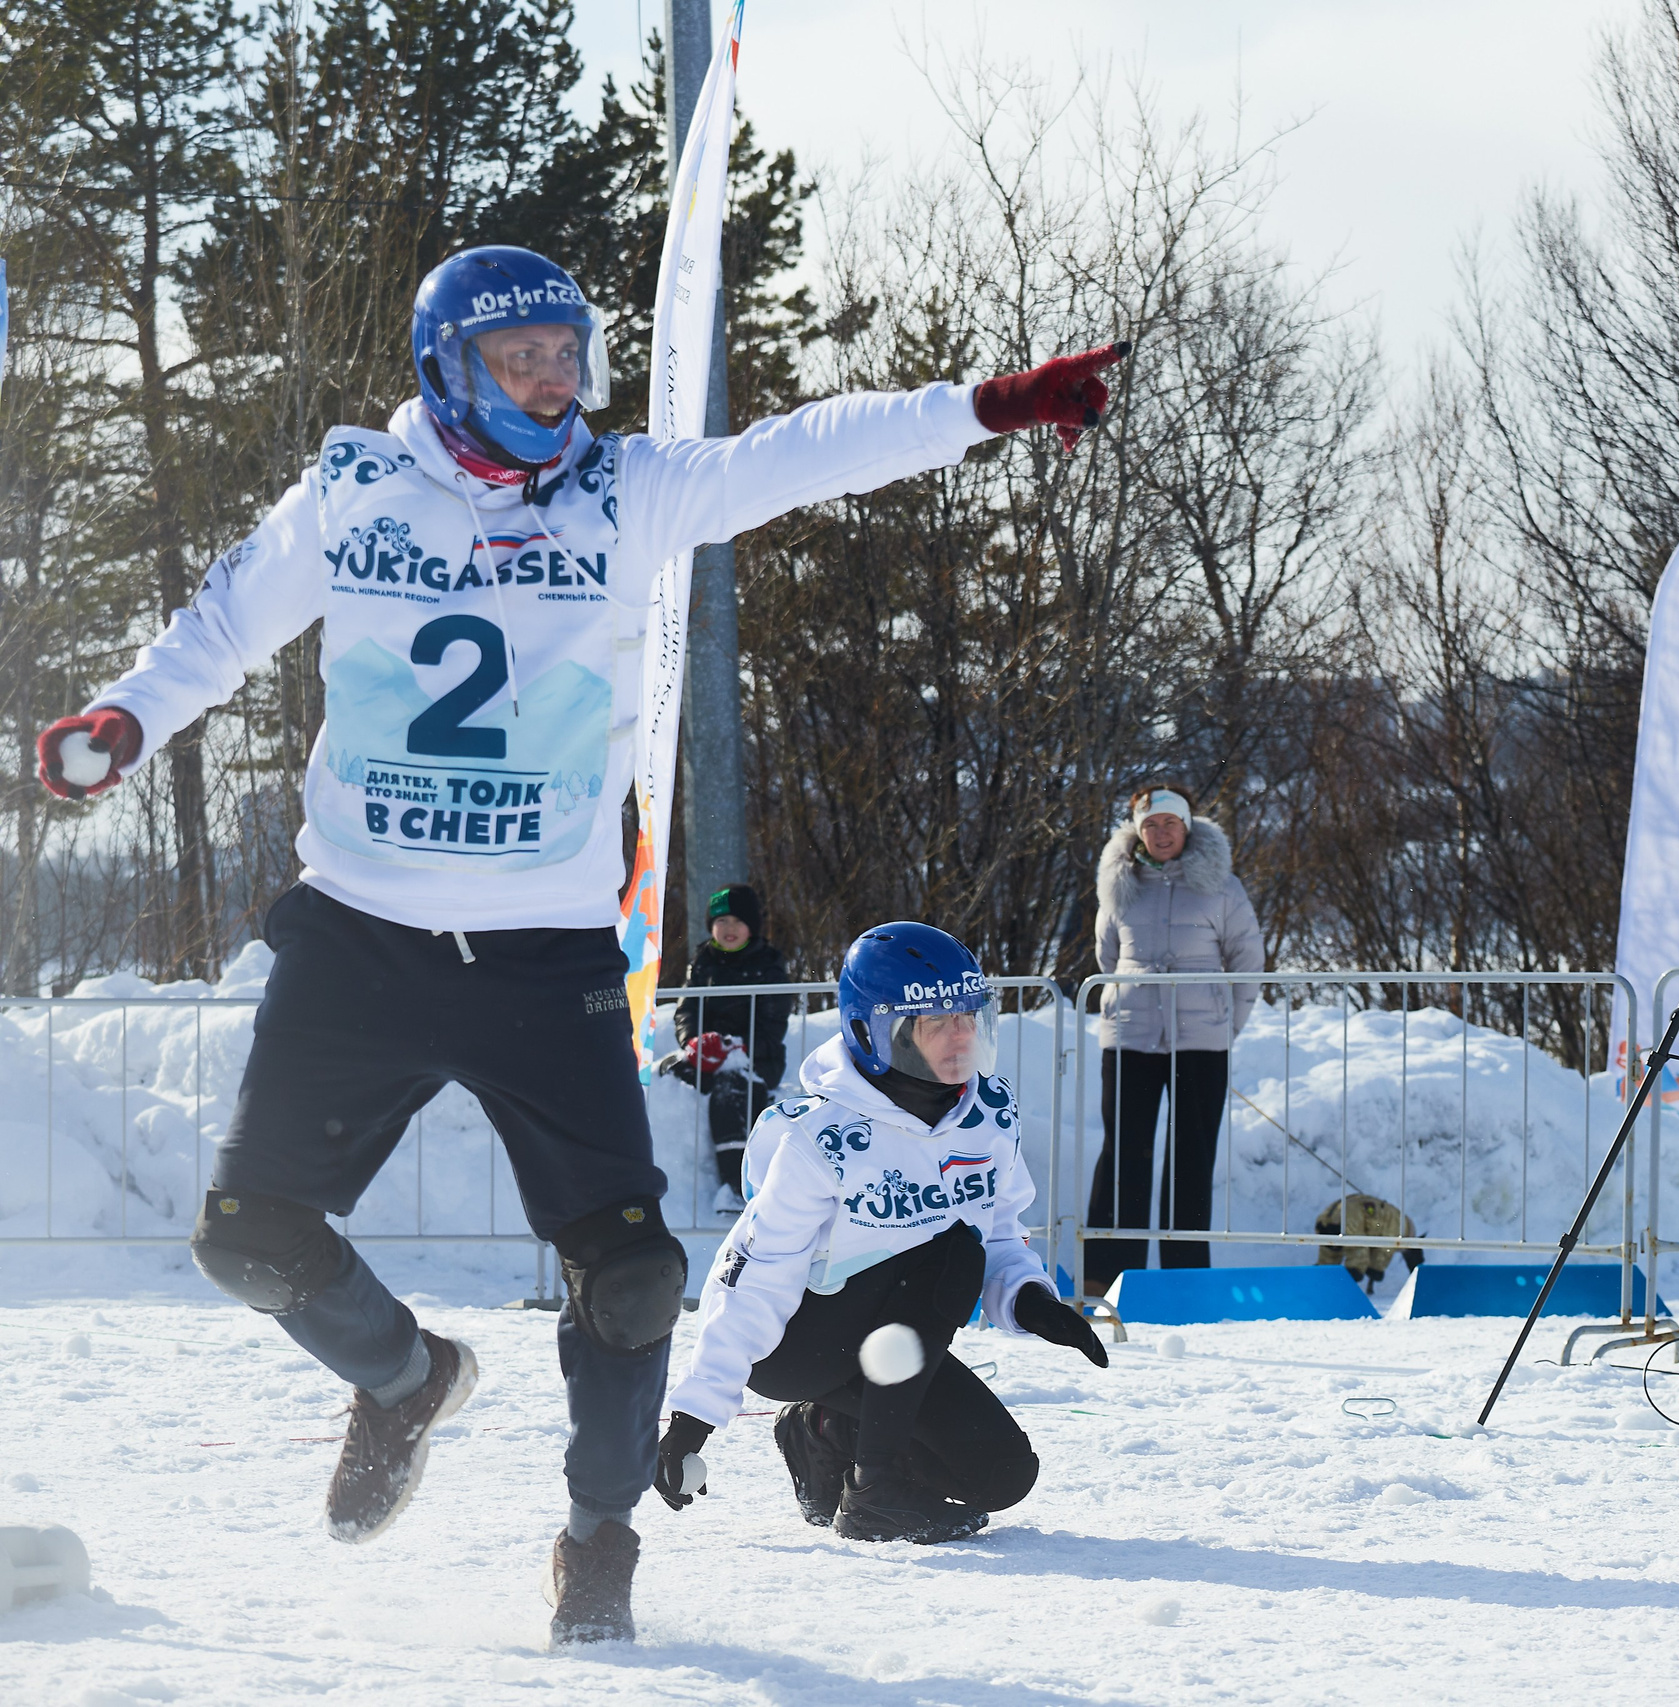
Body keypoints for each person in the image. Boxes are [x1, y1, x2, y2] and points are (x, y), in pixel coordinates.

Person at [33, 242, 1123, 1645]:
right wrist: (124, 718)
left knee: (633, 1275)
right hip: (359, 936)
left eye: (568, 352)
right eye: (521, 358)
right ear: (448, 368)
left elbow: (799, 453)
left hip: (546, 956)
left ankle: (599, 1538)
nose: (555, 381)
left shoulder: (623, 491)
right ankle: (405, 1376)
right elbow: (220, 624)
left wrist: (987, 406)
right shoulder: (356, 491)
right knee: (248, 1239)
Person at [653, 923, 1107, 1543]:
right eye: (935, 1021)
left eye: (969, 1017)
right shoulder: (823, 1137)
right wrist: (693, 1418)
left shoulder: (988, 1115)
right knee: (950, 1253)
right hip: (797, 1343)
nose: (962, 1036)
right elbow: (756, 1275)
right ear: (875, 1032)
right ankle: (876, 1491)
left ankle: (821, 1435)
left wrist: (1030, 1300)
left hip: (890, 1342)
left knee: (1002, 1473)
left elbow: (1000, 1234)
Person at [1084, 783, 1265, 1293]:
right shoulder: (1119, 886)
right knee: (1124, 1154)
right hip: (1130, 1039)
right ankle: (1106, 1278)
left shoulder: (1222, 887)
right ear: (1137, 831)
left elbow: (1248, 961)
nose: (1161, 833)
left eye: (1170, 823)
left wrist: (1225, 1025)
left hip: (1201, 1043)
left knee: (1192, 1157)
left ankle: (1185, 1282)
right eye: (1150, 825)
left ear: (1187, 827)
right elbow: (1107, 956)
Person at [667, 883, 797, 1215]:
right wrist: (693, 1042)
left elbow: (773, 1027)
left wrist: (737, 1047)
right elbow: (686, 1010)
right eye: (721, 920)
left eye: (738, 921)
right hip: (708, 1055)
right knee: (669, 1079)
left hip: (756, 1058)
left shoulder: (768, 965)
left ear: (751, 926)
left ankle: (737, 1185)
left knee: (731, 1090)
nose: (729, 928)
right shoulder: (702, 962)